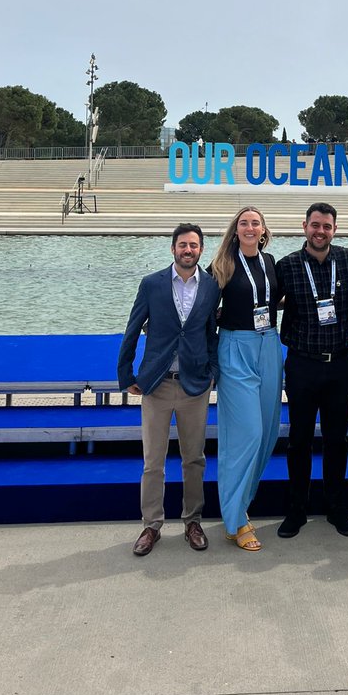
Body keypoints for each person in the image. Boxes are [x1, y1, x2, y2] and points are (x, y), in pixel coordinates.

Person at [117, 223, 220, 557]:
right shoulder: (151, 284)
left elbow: (211, 334)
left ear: (201, 249)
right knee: (153, 462)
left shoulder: (212, 287)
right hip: (157, 384)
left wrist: (213, 372)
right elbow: (132, 329)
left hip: (194, 386)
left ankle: (192, 521)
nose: (187, 250)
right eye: (182, 245)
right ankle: (151, 525)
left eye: (193, 245)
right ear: (173, 248)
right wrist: (125, 374)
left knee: (194, 459)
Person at [275, 202, 348, 538]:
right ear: (304, 226)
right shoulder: (288, 266)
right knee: (298, 440)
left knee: (337, 439)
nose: (320, 231)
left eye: (326, 226)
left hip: (340, 364)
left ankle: (335, 507)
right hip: (301, 364)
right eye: (315, 225)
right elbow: (263, 299)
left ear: (335, 229)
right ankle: (297, 509)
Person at [209, 206, 282, 552]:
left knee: (267, 433)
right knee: (247, 434)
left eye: (255, 222)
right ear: (235, 230)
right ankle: (236, 518)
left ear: (264, 230)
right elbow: (202, 311)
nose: (250, 227)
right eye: (244, 223)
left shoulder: (270, 263)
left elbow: (274, 301)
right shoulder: (222, 265)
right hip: (236, 348)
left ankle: (237, 509)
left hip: (269, 346)